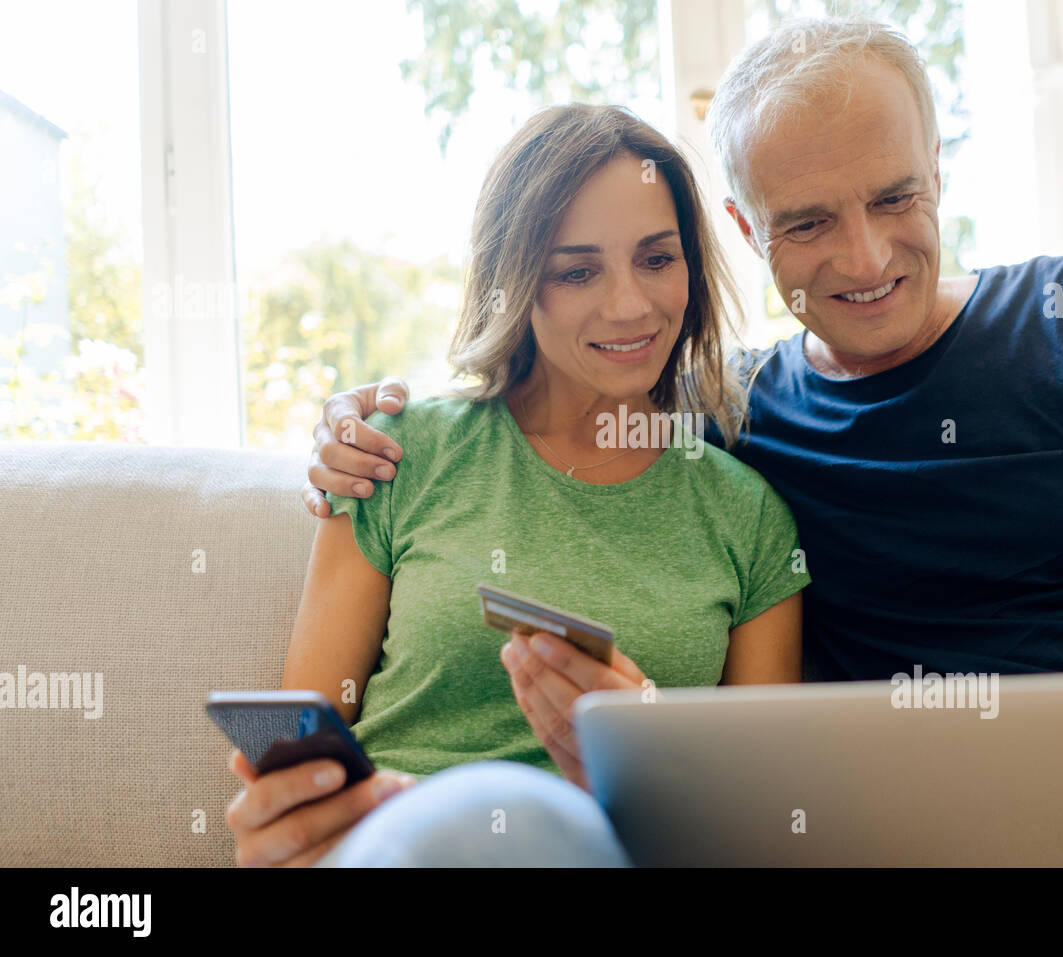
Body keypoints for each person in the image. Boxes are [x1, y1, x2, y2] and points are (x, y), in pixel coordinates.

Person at [308, 14, 1063, 685]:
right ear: (746, 232)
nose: (865, 258)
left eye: (893, 198)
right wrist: (352, 428)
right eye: (810, 222)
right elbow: (552, 404)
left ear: (937, 175)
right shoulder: (731, 416)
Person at [224, 103, 810, 867]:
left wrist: (647, 746)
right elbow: (303, 741)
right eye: (577, 270)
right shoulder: (395, 454)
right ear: (515, 281)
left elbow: (761, 826)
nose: (630, 303)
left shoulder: (747, 517)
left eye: (657, 258)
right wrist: (289, 826)